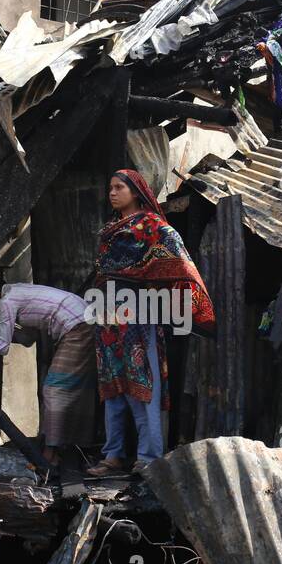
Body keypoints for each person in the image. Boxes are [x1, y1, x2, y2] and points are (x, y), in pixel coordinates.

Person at [87, 169, 214, 476]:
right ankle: (113, 455)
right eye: (111, 188)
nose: (113, 193)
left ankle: (149, 457)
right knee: (112, 387)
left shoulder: (153, 227)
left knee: (143, 385)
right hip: (108, 318)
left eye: (119, 188)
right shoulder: (111, 229)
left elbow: (177, 258)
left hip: (138, 314)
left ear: (136, 191)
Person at [0, 276, 96, 467]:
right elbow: (28, 338)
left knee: (54, 389)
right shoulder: (17, 293)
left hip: (77, 326)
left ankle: (50, 454)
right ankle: (70, 447)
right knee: (74, 391)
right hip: (82, 321)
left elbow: (1, 346)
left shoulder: (7, 301)